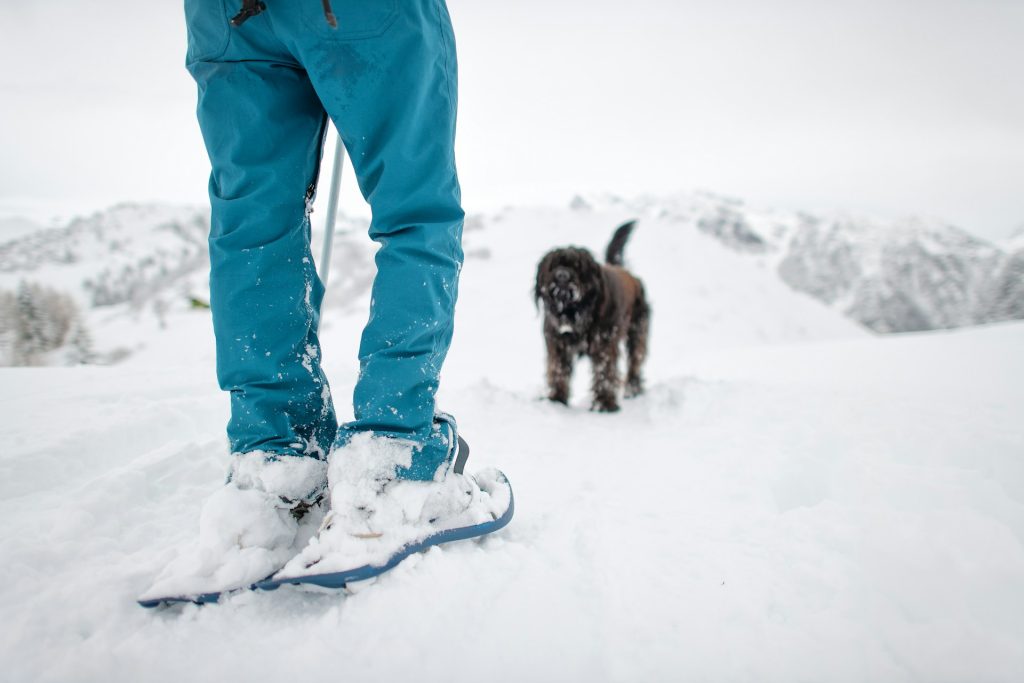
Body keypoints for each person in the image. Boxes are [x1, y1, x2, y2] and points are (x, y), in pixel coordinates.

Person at [140, 0, 512, 604]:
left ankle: (275, 468)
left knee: (253, 228)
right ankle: (390, 461)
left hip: (229, 16)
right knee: (415, 210)